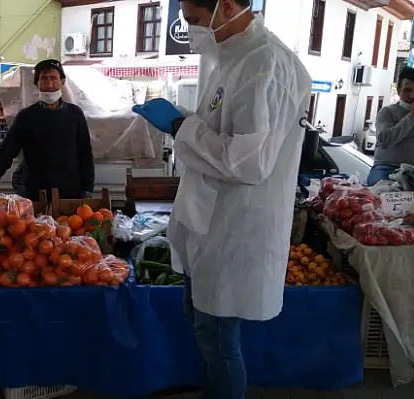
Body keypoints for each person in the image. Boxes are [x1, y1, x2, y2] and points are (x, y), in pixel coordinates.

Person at [133, 1, 311, 398]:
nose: (192, 31)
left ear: (226, 6)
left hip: (237, 226)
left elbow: (250, 163)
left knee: (219, 341)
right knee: (205, 330)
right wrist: (185, 123)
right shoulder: (232, 58)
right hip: (209, 222)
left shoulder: (266, 65)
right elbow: (219, 131)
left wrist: (180, 125)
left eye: (195, 20)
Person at [0, 59, 95, 203]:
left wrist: (87, 190)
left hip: (70, 193)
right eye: (44, 78)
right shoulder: (26, 116)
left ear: (62, 82)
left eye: (53, 78)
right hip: (35, 194)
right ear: (36, 83)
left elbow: (85, 154)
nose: (49, 84)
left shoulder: (75, 114)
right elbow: (6, 152)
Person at [368, 67, 414, 186]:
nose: (413, 95)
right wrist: (413, 115)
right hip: (388, 168)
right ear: (398, 90)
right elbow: (384, 140)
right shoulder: (387, 112)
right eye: (407, 90)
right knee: (382, 191)